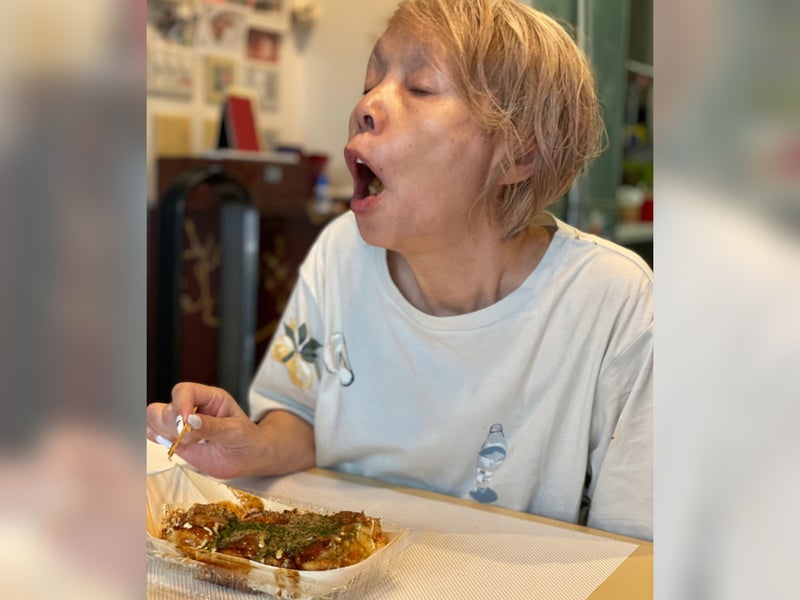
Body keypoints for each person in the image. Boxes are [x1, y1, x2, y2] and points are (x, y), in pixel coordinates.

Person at [146, 0, 653, 541]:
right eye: (370, 81)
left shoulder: (614, 304)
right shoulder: (341, 252)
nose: (367, 103)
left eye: (420, 87)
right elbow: (301, 414)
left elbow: (637, 549)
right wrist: (255, 445)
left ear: (518, 154)